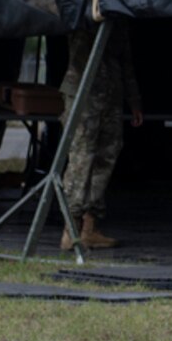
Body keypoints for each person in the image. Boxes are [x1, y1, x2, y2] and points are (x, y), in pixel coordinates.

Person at [58, 21, 144, 251]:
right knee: (81, 157)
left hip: (110, 93)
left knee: (107, 154)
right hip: (83, 93)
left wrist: (133, 101)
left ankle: (89, 226)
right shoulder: (83, 9)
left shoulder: (119, 17)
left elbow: (125, 61)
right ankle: (71, 226)